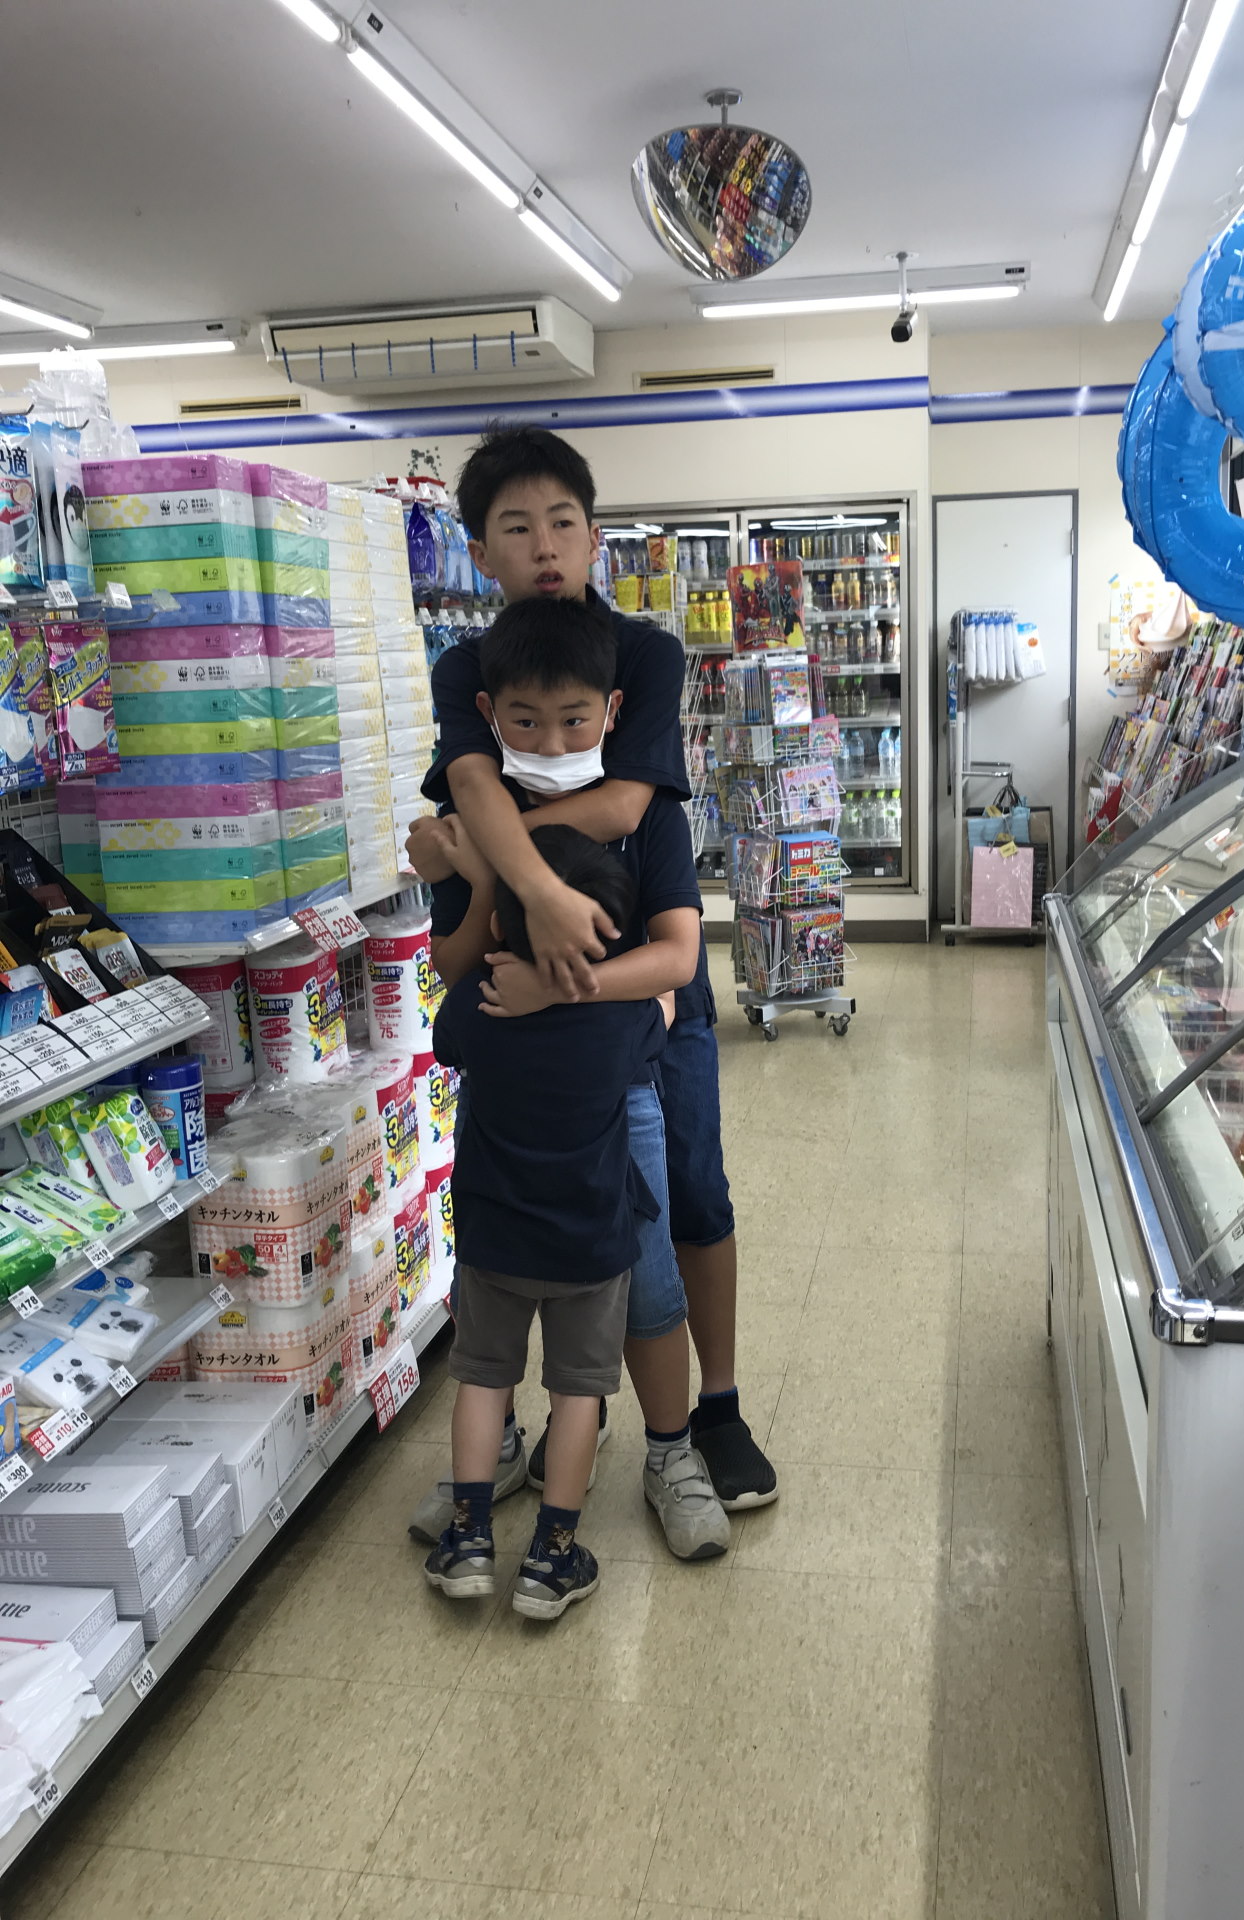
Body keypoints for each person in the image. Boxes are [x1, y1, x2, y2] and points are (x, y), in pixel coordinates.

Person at [408, 424, 776, 1510]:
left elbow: (620, 804)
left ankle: (713, 1409)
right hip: (521, 1006)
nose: (544, 546)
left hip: (650, 988)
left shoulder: (642, 654)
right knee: (539, 1210)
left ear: (594, 535)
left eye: (562, 522)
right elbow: (469, 785)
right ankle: (561, 1420)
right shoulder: (468, 668)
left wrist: (490, 859)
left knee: (686, 1193)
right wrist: (498, 870)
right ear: (480, 551)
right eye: (515, 527)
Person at [415, 597, 732, 1560]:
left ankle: (671, 1452)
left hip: (619, 1093)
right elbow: (452, 964)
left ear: (613, 711)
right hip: (507, 1104)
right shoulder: (478, 822)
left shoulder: (650, 818)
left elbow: (677, 960)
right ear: (488, 714)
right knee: (494, 1282)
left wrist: (559, 987)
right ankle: (502, 1452)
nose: (551, 743)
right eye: (525, 721)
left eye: (574, 720)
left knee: (646, 1279)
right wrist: (481, 878)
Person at [426, 822, 664, 1619]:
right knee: (578, 1394)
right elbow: (665, 1004)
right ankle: (551, 1557)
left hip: (493, 1235)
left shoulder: (477, 1001)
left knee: (482, 1379)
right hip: (591, 1243)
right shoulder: (617, 1017)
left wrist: (481, 895)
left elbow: (447, 1042)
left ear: (501, 923)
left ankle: (468, 1540)